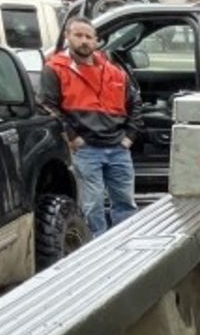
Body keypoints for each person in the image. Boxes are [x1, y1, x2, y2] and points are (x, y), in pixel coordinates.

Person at [42, 16, 142, 236]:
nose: (84, 41)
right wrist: (73, 138)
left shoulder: (113, 71)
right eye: (78, 35)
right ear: (67, 36)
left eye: (89, 37)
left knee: (125, 202)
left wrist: (130, 136)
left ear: (96, 41)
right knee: (92, 205)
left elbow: (135, 103)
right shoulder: (55, 69)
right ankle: (97, 248)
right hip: (86, 149)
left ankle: (126, 243)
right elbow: (48, 106)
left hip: (118, 148)